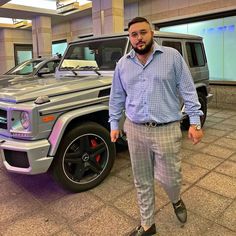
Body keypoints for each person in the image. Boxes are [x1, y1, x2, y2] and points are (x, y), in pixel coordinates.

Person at [109, 17, 204, 236]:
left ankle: (176, 198)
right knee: (141, 179)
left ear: (151, 33)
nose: (139, 38)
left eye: (143, 33)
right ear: (129, 38)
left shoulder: (172, 57)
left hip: (166, 128)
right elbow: (116, 97)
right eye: (134, 34)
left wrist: (195, 122)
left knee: (170, 178)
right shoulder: (123, 64)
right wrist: (115, 123)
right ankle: (148, 225)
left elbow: (188, 91)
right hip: (135, 129)